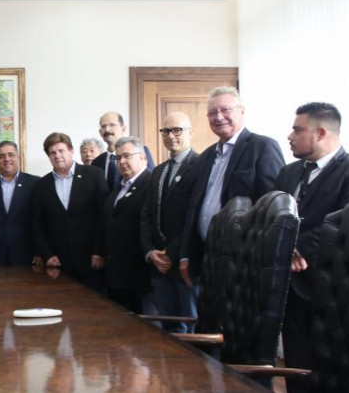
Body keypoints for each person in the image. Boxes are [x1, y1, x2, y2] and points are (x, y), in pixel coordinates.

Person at [274, 102, 349, 393]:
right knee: (297, 376)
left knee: (333, 383)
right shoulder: (288, 173)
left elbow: (346, 223)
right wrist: (284, 247)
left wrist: (292, 247)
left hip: (336, 295)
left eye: (297, 129)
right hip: (291, 292)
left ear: (321, 132)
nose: (290, 136)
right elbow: (270, 216)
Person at [179, 86, 285, 288]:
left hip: (244, 259)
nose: (219, 117)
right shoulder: (207, 156)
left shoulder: (262, 147)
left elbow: (273, 206)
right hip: (207, 255)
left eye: (225, 110)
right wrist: (185, 254)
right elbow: (193, 207)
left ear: (242, 111)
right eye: (212, 112)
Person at [140, 112, 201, 332]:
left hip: (185, 262)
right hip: (159, 266)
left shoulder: (201, 166)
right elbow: (147, 215)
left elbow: (194, 217)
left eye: (177, 130)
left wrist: (171, 253)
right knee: (167, 329)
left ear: (190, 133)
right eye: (165, 130)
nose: (170, 135)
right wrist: (151, 252)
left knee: (191, 328)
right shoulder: (157, 171)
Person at [32, 132, 108, 287]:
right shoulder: (41, 185)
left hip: (91, 259)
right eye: (53, 153)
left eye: (61, 151)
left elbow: (104, 216)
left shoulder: (94, 175)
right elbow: (37, 224)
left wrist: (99, 251)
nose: (57, 156)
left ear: (71, 151)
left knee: (94, 308)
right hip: (58, 263)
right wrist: (48, 255)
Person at [102, 136, 151, 314]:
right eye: (118, 157)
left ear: (143, 157)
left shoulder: (151, 183)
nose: (122, 161)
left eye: (127, 156)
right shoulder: (118, 187)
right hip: (116, 272)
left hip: (139, 272)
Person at [0, 141, 40, 267]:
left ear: (19, 157)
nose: (7, 159)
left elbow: (40, 220)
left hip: (27, 253)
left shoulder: (35, 183)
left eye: (11, 155)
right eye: (2, 156)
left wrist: (40, 251)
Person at [91, 111, 154, 190]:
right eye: (103, 126)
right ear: (100, 132)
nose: (107, 129)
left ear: (123, 129)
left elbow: (151, 183)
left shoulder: (140, 152)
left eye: (112, 125)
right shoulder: (96, 162)